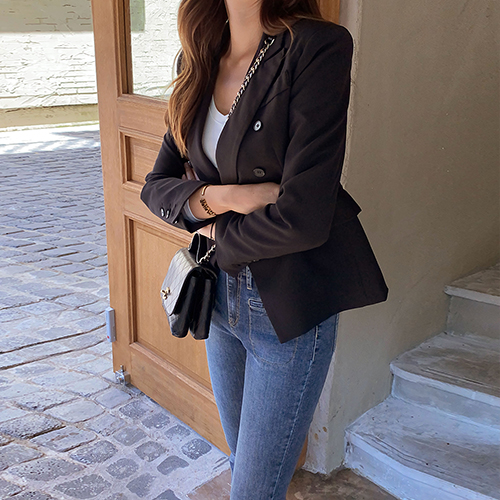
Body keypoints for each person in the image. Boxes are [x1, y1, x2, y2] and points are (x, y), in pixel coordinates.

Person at [140, 0, 388, 498]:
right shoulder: (199, 57)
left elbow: (303, 217)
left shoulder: (316, 47)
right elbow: (156, 186)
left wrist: (212, 228)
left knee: (254, 490)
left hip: (286, 307)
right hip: (218, 296)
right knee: (245, 468)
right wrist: (226, 198)